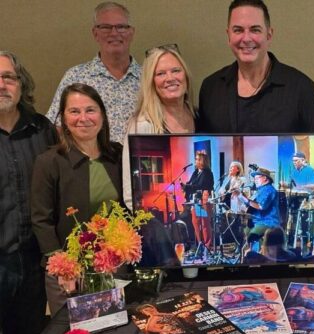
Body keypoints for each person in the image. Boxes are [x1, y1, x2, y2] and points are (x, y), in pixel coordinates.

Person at [32, 83, 122, 315]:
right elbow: (41, 220)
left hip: (115, 271)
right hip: (70, 276)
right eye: (74, 111)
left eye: (90, 110)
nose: (83, 118)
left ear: (102, 114)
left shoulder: (118, 154)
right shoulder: (49, 162)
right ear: (63, 118)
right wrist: (63, 268)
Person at [198, 0, 314, 133]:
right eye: (238, 30)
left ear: (269, 35)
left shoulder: (300, 87)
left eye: (255, 30)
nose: (246, 38)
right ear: (229, 36)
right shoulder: (210, 88)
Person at [0, 51, 57, 334]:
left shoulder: (42, 129)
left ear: (21, 84)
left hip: (34, 260)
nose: (2, 85)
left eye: (9, 77)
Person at [46, 2, 140, 142]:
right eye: (106, 27)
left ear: (131, 33)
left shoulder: (149, 78)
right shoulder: (76, 77)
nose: (114, 33)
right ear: (95, 33)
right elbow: (57, 127)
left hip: (140, 162)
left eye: (121, 27)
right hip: (92, 162)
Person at [123, 45, 196, 211]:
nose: (170, 78)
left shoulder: (199, 116)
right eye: (160, 73)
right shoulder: (142, 125)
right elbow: (131, 194)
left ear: (185, 75)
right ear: (151, 82)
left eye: (176, 70)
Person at [238, 167, 280, 248]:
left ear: (265, 178)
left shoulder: (269, 190)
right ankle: (250, 254)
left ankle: (257, 255)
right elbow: (251, 205)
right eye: (254, 178)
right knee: (243, 233)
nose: (255, 180)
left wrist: (245, 199)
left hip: (267, 222)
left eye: (257, 178)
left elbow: (261, 206)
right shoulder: (259, 191)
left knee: (252, 235)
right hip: (256, 221)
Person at [181, 152, 214, 252]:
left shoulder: (207, 172)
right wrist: (185, 186)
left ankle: (207, 245)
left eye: (199, 159)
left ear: (204, 161)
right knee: (195, 222)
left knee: (204, 223)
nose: (196, 161)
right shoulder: (196, 172)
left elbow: (200, 185)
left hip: (203, 200)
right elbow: (191, 183)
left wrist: (187, 187)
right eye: (196, 159)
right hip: (195, 200)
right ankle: (200, 244)